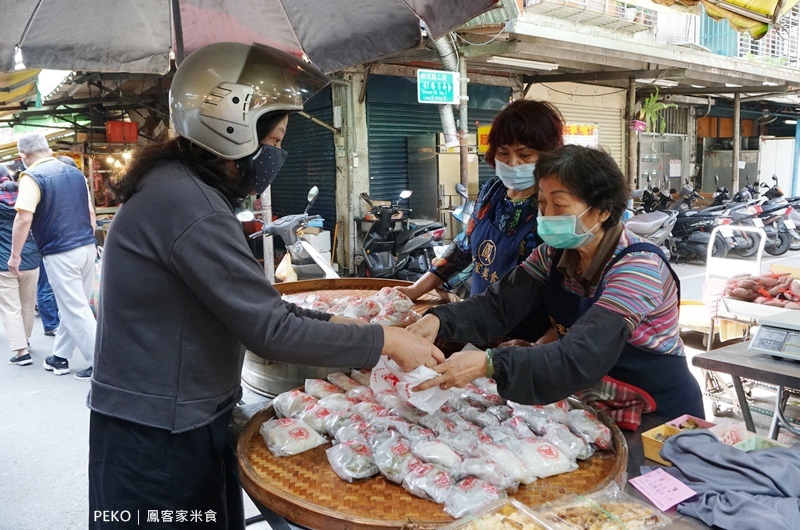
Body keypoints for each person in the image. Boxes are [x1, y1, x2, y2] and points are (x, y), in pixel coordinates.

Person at [87, 42, 443, 530]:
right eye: (272, 141)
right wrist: (384, 341)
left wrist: (338, 320)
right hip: (158, 436)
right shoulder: (189, 206)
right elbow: (268, 330)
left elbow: (255, 305)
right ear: (230, 128)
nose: (276, 154)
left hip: (173, 416)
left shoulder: (178, 187)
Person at [411, 145, 704, 426]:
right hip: (595, 402)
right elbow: (498, 305)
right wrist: (438, 320)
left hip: (658, 416)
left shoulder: (637, 267)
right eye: (542, 203)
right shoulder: (553, 254)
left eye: (559, 204)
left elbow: (582, 354)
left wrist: (489, 363)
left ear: (602, 211)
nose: (547, 214)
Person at [397, 100, 564, 309]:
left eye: (524, 155)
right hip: (482, 316)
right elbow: (463, 247)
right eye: (503, 153)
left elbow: (565, 283)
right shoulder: (493, 191)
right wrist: (416, 289)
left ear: (549, 153)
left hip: (528, 328)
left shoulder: (554, 206)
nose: (512, 163)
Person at [9, 133, 97, 381]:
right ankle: (60, 356)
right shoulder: (74, 172)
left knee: (76, 308)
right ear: (47, 149)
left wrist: (15, 256)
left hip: (60, 251)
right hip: (86, 246)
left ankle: (102, 365)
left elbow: (23, 218)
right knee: (75, 304)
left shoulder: (31, 176)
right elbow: (90, 213)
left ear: (23, 156)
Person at [0, 165, 40, 366]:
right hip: (31, 259)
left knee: (10, 307)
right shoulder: (29, 199)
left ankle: (21, 351)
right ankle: (26, 340)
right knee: (27, 304)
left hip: (3, 262)